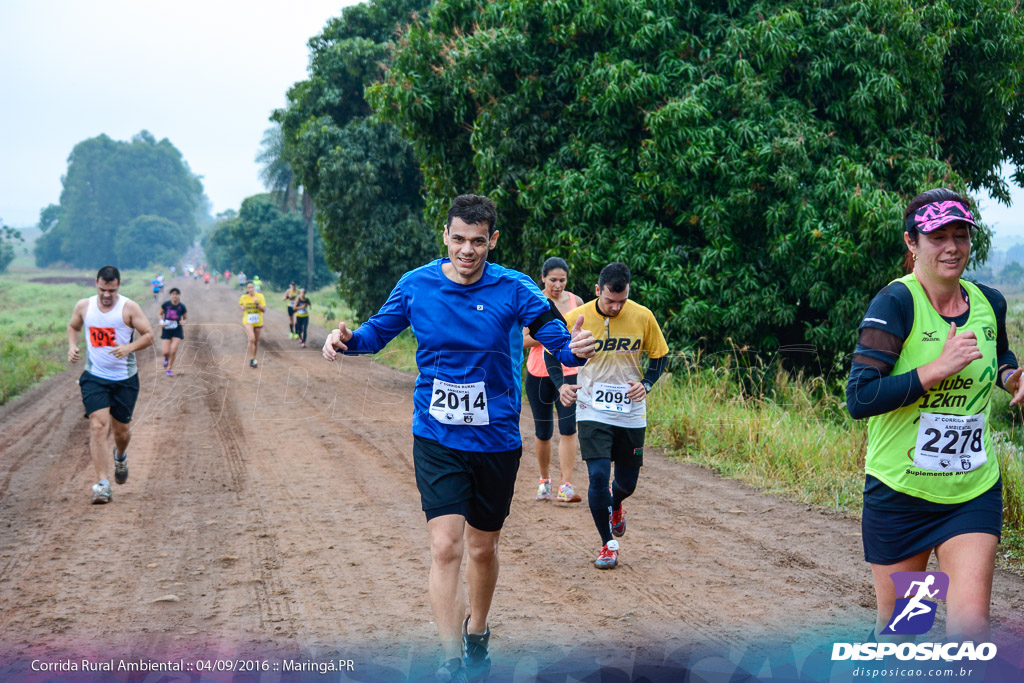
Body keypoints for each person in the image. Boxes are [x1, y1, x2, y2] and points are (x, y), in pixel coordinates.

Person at [322, 194, 595, 681]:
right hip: (437, 436)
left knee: (482, 549)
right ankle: (450, 661)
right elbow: (373, 335)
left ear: (492, 240)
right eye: (458, 239)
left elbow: (557, 340)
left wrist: (575, 349)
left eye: (477, 241)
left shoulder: (516, 288)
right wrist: (343, 340)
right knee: (446, 546)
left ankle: (478, 631)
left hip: (495, 440)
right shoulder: (416, 285)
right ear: (445, 236)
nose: (466, 250)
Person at [846, 187, 1022, 643]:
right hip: (902, 493)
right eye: (937, 236)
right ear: (912, 243)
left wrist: (1011, 378)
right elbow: (860, 398)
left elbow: (998, 353)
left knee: (970, 631)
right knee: (908, 630)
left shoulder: (989, 303)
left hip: (970, 491)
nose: (951, 247)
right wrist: (935, 369)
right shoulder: (896, 304)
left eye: (960, 235)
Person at [552, 262, 668, 570]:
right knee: (599, 476)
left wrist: (646, 384)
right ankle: (607, 544)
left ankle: (616, 505)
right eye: (609, 301)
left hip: (631, 412)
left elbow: (660, 356)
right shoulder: (578, 317)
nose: (616, 307)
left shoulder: (643, 316)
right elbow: (549, 351)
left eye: (622, 301)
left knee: (626, 484)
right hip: (592, 408)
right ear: (597, 291)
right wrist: (561, 384)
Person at [67, 266, 155, 504]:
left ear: (119, 286)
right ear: (96, 283)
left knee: (121, 432)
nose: (107, 295)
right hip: (95, 377)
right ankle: (102, 485)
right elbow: (74, 327)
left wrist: (128, 348)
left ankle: (121, 455)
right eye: (103, 289)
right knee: (98, 426)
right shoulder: (84, 306)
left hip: (124, 380)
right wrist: (72, 346)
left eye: (112, 290)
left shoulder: (129, 308)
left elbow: (149, 334)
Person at [523, 257, 584, 504]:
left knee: (569, 429)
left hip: (568, 374)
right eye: (553, 280)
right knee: (543, 431)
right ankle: (544, 481)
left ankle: (566, 485)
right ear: (543, 278)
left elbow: (581, 337)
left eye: (562, 280)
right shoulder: (533, 300)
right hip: (538, 374)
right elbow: (523, 340)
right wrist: (553, 335)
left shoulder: (576, 302)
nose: (557, 285)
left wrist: (570, 339)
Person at [159, 287, 188, 376]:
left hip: (177, 330)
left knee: (173, 350)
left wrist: (183, 321)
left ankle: (169, 369)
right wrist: (161, 321)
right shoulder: (166, 305)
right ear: (171, 295)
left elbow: (185, 318)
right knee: (165, 352)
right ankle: (165, 358)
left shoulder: (182, 307)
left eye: (176, 294)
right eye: (173, 294)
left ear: (179, 295)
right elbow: (160, 314)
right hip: (167, 330)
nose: (175, 296)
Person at [239, 281, 266, 368]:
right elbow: (240, 304)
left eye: (252, 287)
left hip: (258, 321)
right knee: (252, 338)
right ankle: (252, 358)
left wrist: (257, 303)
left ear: (254, 288)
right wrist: (242, 307)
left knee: (256, 341)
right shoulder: (244, 297)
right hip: (248, 321)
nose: (250, 289)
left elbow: (263, 310)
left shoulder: (260, 296)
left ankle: (253, 358)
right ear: (247, 289)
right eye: (249, 287)